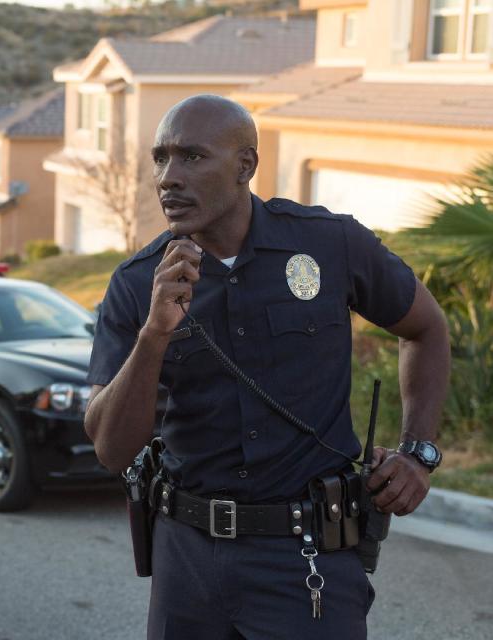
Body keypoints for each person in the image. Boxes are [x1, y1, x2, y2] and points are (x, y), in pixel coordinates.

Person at [83, 95, 450, 639]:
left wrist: (417, 451)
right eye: (160, 158)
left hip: (306, 560)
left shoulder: (330, 244)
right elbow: (112, 449)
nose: (168, 178)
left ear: (245, 166)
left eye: (191, 157)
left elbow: (426, 328)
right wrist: (154, 334)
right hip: (186, 562)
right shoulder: (138, 284)